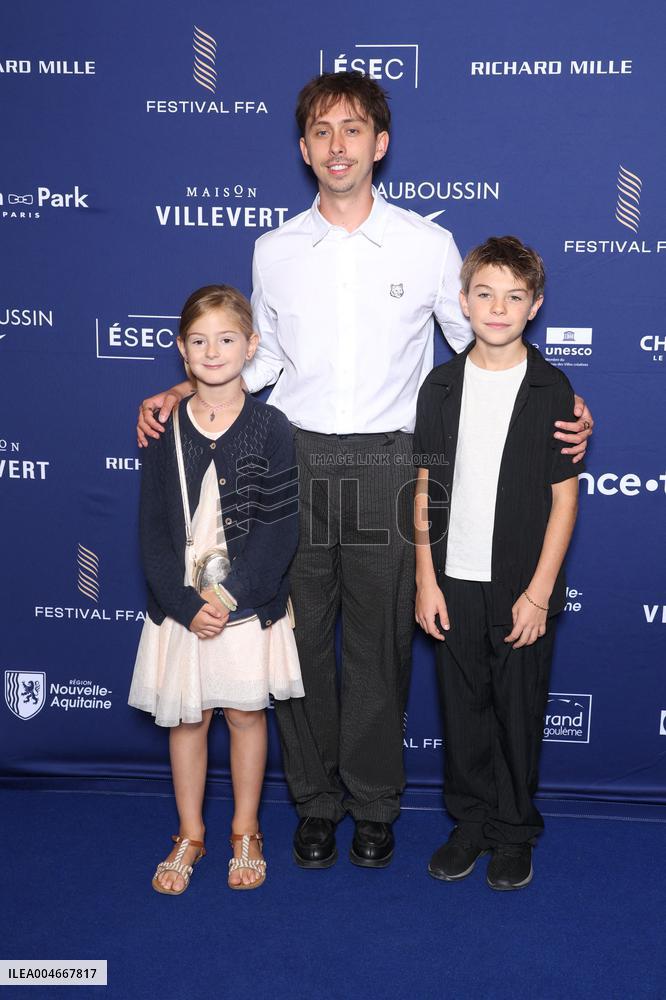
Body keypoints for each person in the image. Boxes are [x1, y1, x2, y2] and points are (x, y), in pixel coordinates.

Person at [136, 73, 593, 871]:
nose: (337, 145)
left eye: (353, 129)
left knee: (381, 646)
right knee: (298, 637)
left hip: (391, 461)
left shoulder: (426, 244)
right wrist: (188, 383)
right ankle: (314, 804)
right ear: (303, 149)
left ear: (379, 144)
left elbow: (481, 344)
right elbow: (266, 357)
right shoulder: (274, 250)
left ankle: (376, 804)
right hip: (293, 456)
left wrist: (557, 406)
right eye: (321, 131)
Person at [413, 236, 582, 890]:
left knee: (517, 710)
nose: (498, 307)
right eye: (484, 293)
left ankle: (514, 829)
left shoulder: (551, 387)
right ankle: (471, 824)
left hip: (520, 586)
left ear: (534, 305)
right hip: (453, 581)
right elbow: (423, 487)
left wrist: (539, 592)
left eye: (514, 296)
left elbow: (564, 502)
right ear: (463, 301)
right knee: (463, 710)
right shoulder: (442, 384)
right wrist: (426, 579)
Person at [129, 284, 303, 893]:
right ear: (181, 351)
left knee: (245, 715)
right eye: (199, 341)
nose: (212, 351)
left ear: (251, 347)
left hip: (246, 605)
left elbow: (280, 530)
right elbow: (152, 531)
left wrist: (227, 601)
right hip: (182, 609)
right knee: (189, 719)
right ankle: (190, 834)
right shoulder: (164, 427)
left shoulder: (271, 426)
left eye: (227, 339)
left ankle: (246, 831)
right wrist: (184, 605)